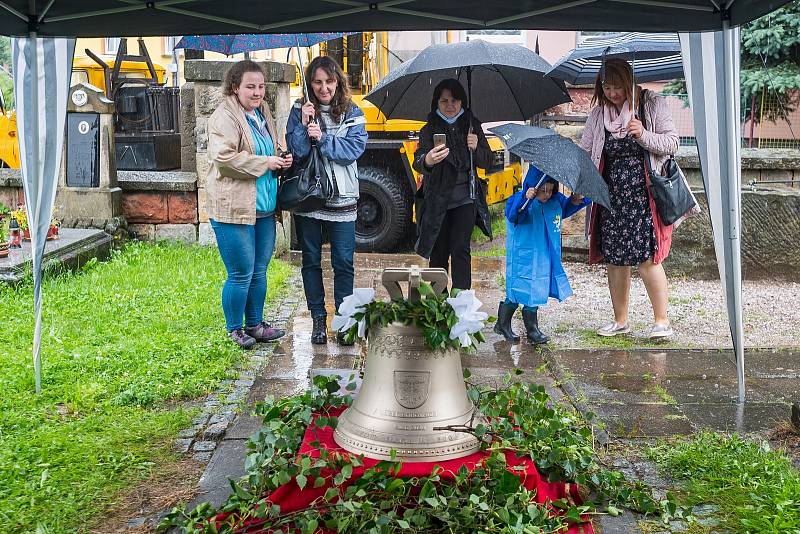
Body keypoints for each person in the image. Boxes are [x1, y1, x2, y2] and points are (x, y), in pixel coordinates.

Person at [579, 58, 679, 339]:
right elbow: (586, 151)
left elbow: (672, 143)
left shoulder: (650, 104)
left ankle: (662, 322)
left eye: (617, 87)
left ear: (628, 82)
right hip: (611, 200)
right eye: (607, 88)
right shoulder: (599, 115)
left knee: (648, 258)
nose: (612, 94)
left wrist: (644, 134)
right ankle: (620, 320)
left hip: (644, 199)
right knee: (615, 259)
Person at [207, 60, 292, 349]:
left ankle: (255, 324)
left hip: (264, 206)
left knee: (259, 269)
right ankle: (235, 329)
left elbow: (268, 147)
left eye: (260, 86)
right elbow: (225, 159)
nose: (257, 92)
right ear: (235, 87)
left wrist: (281, 156)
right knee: (241, 272)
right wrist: (265, 162)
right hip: (234, 208)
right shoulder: (223, 117)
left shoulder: (262, 111)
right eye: (250, 86)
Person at [285, 56, 368, 345]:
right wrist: (304, 125)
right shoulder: (299, 110)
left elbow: (353, 149)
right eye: (317, 82)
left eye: (329, 81)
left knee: (343, 262)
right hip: (309, 199)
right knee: (311, 261)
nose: (323, 88)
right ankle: (318, 320)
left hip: (342, 199)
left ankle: (344, 321)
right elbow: (295, 152)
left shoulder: (352, 112)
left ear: (338, 82)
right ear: (309, 83)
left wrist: (323, 138)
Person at [412, 79, 493, 291]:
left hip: (465, 198)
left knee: (460, 249)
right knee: (438, 252)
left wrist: (476, 147)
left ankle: (461, 301)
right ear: (436, 103)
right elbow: (418, 160)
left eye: (455, 100)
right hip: (437, 200)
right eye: (444, 100)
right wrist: (428, 159)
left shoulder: (472, 125)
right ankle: (438, 304)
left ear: (462, 101)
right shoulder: (429, 129)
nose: (450, 105)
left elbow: (488, 161)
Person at [495, 166, 590, 344]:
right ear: (532, 186)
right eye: (543, 190)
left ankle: (531, 330)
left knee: (536, 289)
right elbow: (513, 214)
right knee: (517, 290)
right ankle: (504, 324)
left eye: (551, 190)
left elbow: (565, 208)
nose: (547, 194)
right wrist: (526, 198)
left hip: (543, 256)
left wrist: (575, 201)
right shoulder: (520, 199)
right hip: (523, 256)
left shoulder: (555, 201)